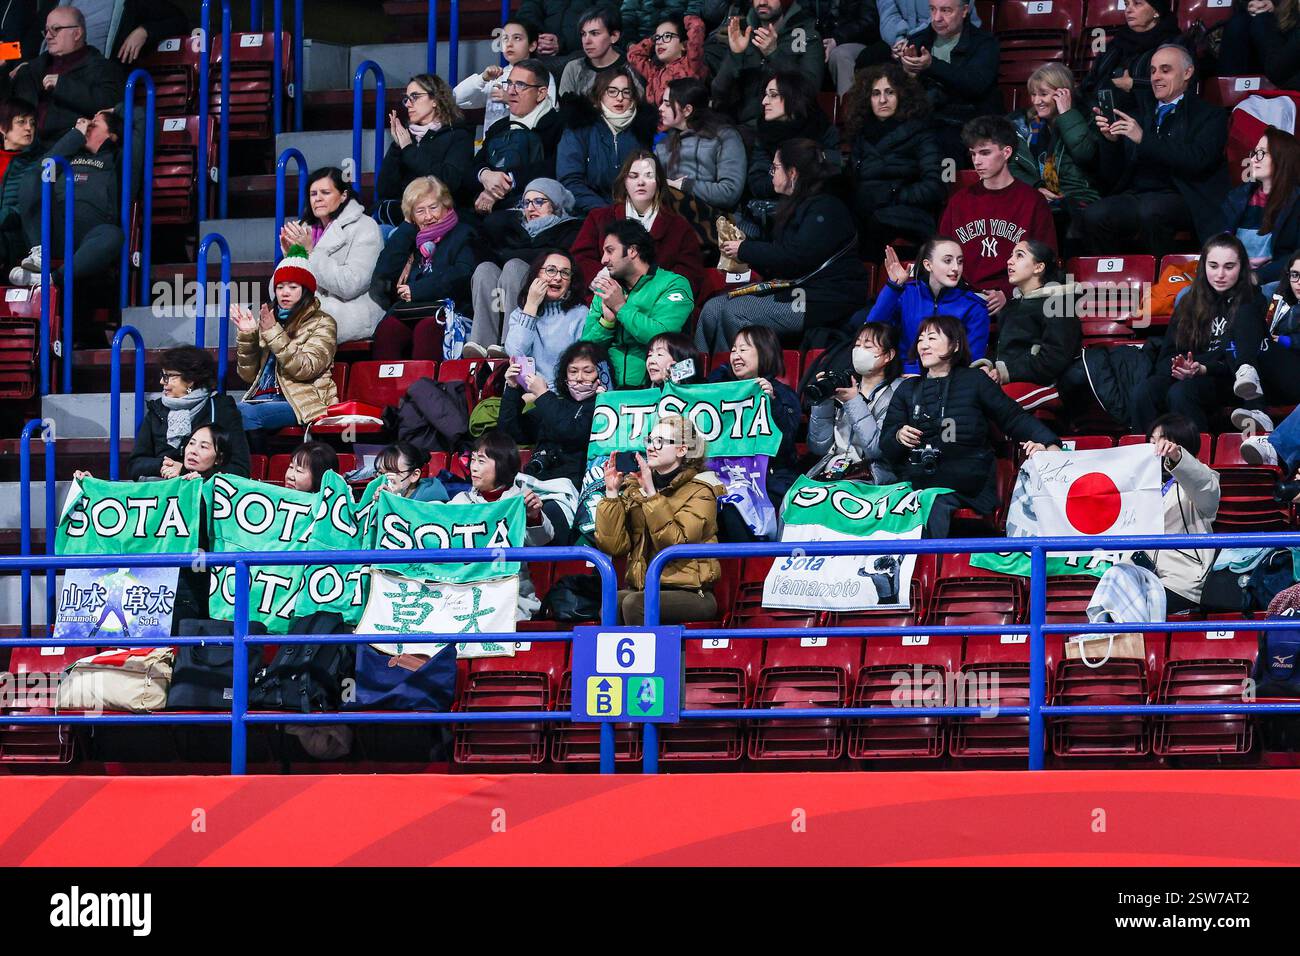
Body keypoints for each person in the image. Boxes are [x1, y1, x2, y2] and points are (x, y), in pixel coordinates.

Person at [880, 314, 1061, 537]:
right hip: (916, 483)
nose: (924, 345)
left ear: (955, 345)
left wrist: (1050, 442)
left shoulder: (975, 380)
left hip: (965, 485)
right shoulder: (907, 389)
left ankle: (924, 569)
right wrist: (898, 436)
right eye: (920, 339)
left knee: (933, 503)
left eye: (932, 338)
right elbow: (886, 446)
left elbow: (1013, 418)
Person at [699, 137, 868, 351]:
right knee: (713, 309)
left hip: (824, 296)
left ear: (793, 173)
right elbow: (779, 257)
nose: (771, 173)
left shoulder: (827, 207)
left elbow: (796, 257)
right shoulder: (796, 205)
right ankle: (699, 379)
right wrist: (746, 245)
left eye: (776, 167)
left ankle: (731, 379)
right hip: (795, 288)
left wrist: (745, 249)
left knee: (736, 312)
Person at [1086, 44, 1230, 259]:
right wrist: (1111, 141)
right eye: (1152, 71)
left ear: (1187, 73)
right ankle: (1112, 281)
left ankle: (1162, 281)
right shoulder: (1138, 113)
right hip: (1137, 195)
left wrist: (1144, 139)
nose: (1155, 77)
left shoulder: (1210, 115)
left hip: (1184, 195)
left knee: (1152, 211)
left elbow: (1198, 160)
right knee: (1095, 214)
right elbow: (1112, 174)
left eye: (1165, 70)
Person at [1136, 233, 1272, 434]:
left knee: (1182, 393)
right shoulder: (1188, 302)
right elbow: (1166, 355)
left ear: (1241, 267)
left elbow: (1239, 357)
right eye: (1213, 266)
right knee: (1145, 391)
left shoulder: (1251, 302)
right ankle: (1146, 457)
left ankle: (1196, 460)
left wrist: (1202, 367)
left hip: (1231, 379)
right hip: (1191, 373)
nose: (1220, 275)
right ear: (1203, 266)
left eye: (1229, 267)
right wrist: (1179, 367)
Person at [595, 413, 724, 624]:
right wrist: (611, 494)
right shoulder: (637, 488)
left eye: (660, 442)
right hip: (645, 587)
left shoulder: (701, 491)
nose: (651, 447)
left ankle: (653, 658)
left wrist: (652, 496)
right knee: (612, 601)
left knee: (634, 604)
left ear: (682, 450)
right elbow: (613, 546)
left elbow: (674, 543)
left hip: (692, 592)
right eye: (650, 440)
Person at [939, 115, 1057, 313]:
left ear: (1006, 152)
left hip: (1018, 301)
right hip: (963, 299)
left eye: (985, 153)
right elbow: (941, 256)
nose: (977, 161)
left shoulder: (1033, 201)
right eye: (973, 154)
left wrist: (1011, 292)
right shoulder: (959, 201)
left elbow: (1047, 261)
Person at [231, 247, 339, 448]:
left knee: (243, 414)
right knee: (220, 410)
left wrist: (273, 333)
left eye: (292, 286)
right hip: (260, 397)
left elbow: (306, 368)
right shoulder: (269, 320)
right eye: (280, 287)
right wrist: (248, 337)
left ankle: (255, 471)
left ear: (305, 290)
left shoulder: (323, 323)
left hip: (301, 401)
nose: (285, 292)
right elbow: (247, 376)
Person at [10, 108, 124, 295]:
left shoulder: (118, 160)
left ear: (112, 136)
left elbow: (143, 121)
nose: (88, 125)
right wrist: (75, 135)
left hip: (91, 236)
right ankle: (40, 253)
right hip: (58, 231)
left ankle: (50, 279)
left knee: (114, 235)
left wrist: (116, 109)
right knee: (33, 177)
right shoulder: (69, 155)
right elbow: (43, 169)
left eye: (94, 124)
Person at [452, 430, 564, 619]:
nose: (473, 468)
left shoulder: (520, 500)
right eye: (472, 460)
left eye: (481, 461)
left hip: (512, 599)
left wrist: (533, 516)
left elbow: (543, 539)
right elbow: (430, 516)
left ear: (502, 465)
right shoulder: (461, 501)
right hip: (464, 598)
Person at [570, 148, 707, 300]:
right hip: (604, 301)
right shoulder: (598, 218)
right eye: (633, 176)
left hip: (658, 307)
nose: (641, 182)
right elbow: (580, 259)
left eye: (649, 176)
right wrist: (602, 281)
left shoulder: (678, 226)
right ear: (625, 182)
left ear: (659, 182)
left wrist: (655, 291)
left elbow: (690, 272)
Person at [706, 324, 801, 538]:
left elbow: (786, 443)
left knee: (731, 510)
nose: (736, 356)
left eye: (744, 349)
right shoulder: (719, 390)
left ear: (764, 351)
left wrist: (772, 403)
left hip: (769, 480)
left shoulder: (782, 394)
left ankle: (749, 568)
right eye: (733, 350)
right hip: (724, 478)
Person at [469, 179, 582, 355]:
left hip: (541, 292)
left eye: (539, 202)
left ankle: (508, 342)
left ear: (555, 204)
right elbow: (488, 245)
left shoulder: (569, 229)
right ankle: (481, 344)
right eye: (526, 202)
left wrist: (510, 255)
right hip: (505, 289)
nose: (530, 208)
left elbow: (553, 259)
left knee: (514, 267)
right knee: (485, 269)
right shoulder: (513, 228)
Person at [369, 175, 477, 362]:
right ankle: (387, 390)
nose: (428, 217)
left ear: (446, 206)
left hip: (450, 311)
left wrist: (418, 290)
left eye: (433, 207)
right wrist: (407, 228)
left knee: (427, 328)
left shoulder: (464, 233)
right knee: (388, 330)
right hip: (412, 311)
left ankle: (423, 389)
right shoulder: (411, 238)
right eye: (420, 211)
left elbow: (463, 275)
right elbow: (384, 273)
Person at [844, 61, 944, 254]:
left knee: (871, 225)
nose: (883, 100)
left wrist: (892, 194)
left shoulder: (921, 132)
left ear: (901, 95)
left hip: (907, 214)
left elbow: (934, 187)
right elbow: (852, 182)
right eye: (876, 93)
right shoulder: (860, 134)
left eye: (889, 92)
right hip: (866, 210)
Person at [582, 219, 694, 386]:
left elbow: (663, 337)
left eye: (610, 251)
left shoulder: (673, 284)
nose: (603, 260)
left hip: (660, 390)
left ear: (632, 251)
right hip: (609, 392)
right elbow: (585, 350)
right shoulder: (607, 287)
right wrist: (607, 323)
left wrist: (621, 308)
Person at [279, 167, 384, 344]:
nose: (318, 198)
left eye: (325, 192)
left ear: (343, 195)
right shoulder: (301, 228)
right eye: (313, 194)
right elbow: (279, 290)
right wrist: (291, 259)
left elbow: (350, 285)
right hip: (307, 310)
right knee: (263, 325)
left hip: (349, 311)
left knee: (298, 332)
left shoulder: (366, 227)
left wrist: (310, 254)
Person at [973, 239, 1081, 406]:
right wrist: (987, 366)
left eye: (1019, 255)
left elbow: (1054, 360)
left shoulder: (1060, 304)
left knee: (988, 406)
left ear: (1038, 267)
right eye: (1011, 256)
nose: (1010, 261)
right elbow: (1000, 349)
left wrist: (1006, 372)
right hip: (1009, 380)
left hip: (1046, 384)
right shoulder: (1011, 305)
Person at [1009, 62, 1103, 250]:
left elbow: (1084, 155)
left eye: (1043, 94)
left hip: (1079, 198)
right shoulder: (1025, 124)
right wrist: (1036, 187)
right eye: (1033, 94)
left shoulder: (1086, 118)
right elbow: (1011, 164)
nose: (1036, 101)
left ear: (1064, 93)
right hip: (1041, 197)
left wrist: (1067, 114)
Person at [894, 0, 1000, 162]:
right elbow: (903, 96)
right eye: (932, 9)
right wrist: (908, 74)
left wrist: (931, 65)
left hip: (968, 124)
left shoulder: (984, 43)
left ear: (964, 11)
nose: (937, 18)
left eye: (946, 11)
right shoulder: (917, 41)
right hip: (925, 121)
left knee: (941, 143)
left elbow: (975, 84)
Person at [861, 237, 988, 372]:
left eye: (960, 261)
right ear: (928, 265)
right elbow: (872, 329)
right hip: (903, 377)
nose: (956, 268)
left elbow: (973, 360)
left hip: (949, 382)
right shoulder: (906, 294)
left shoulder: (974, 306)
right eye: (948, 261)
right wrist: (894, 287)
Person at [7, 5, 123, 148]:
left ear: (77, 33)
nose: (48, 36)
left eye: (55, 29)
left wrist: (63, 86)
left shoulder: (103, 68)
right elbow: (8, 108)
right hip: (25, 151)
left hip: (70, 152)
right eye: (47, 31)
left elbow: (111, 104)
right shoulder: (30, 71)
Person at [130, 345, 251, 481]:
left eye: (168, 376)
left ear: (190, 380)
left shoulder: (221, 408)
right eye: (162, 375)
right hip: (163, 487)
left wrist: (184, 470)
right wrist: (163, 465)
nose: (162, 381)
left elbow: (240, 469)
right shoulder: (157, 410)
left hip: (205, 491)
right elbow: (136, 465)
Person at [1140, 413, 1221, 614]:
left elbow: (1202, 483)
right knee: (1111, 589)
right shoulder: (1141, 488)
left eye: (1162, 441)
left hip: (1183, 581)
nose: (1156, 448)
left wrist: (1177, 456)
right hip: (1142, 575)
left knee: (1129, 607)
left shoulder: (1203, 480)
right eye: (1151, 442)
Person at [499, 339, 608, 486]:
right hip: (536, 484)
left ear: (602, 373)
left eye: (587, 371)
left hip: (573, 488)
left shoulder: (602, 408)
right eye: (573, 371)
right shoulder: (555, 404)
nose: (579, 378)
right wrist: (512, 388)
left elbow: (570, 432)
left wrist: (543, 394)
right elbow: (511, 432)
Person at [806, 321, 904, 482]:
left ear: (889, 355)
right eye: (857, 345)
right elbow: (818, 446)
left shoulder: (898, 392)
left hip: (871, 476)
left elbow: (877, 450)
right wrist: (823, 401)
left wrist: (852, 401)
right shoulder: (844, 383)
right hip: (832, 471)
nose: (859, 351)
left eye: (868, 346)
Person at [375, 73, 475, 227]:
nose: (408, 104)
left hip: (441, 220)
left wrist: (408, 149)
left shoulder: (458, 135)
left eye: (415, 97)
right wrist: (397, 147)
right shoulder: (407, 138)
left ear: (435, 100)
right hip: (406, 219)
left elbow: (449, 181)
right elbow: (384, 190)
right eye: (407, 99)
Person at [557, 65, 658, 214]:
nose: (620, 97)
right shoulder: (579, 128)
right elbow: (570, 180)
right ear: (599, 95)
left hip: (635, 213)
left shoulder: (644, 130)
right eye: (612, 91)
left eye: (626, 92)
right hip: (588, 214)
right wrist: (605, 211)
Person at [710, 0, 825, 131]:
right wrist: (735, 55)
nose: (762, 2)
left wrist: (774, 53)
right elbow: (718, 92)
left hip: (790, 128)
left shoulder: (806, 36)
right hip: (746, 128)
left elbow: (810, 89)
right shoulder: (744, 33)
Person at [471, 58, 565, 215]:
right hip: (490, 206)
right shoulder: (499, 127)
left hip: (536, 207)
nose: (511, 91)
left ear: (541, 93)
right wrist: (485, 175)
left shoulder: (560, 124)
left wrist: (506, 181)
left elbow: (556, 167)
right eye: (509, 83)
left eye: (521, 85)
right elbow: (474, 165)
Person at [1221, 128, 1300, 287]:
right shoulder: (1237, 197)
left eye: (1262, 153)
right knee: (1184, 295)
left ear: (1282, 159)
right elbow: (1220, 241)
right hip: (1233, 276)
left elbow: (1297, 257)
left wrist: (1257, 276)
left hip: (1274, 280)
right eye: (1254, 153)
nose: (1254, 159)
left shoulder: (1296, 203)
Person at [655, 77, 746, 215]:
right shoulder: (663, 145)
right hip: (674, 219)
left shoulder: (724, 137)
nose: (660, 108)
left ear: (687, 110)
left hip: (717, 220)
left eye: (667, 104)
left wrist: (684, 186)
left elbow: (729, 192)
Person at [746, 69, 841, 201]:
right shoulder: (764, 132)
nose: (764, 101)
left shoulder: (821, 127)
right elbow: (757, 183)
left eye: (773, 95)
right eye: (765, 95)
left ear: (793, 97)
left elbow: (837, 170)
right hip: (776, 207)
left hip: (817, 205)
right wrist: (785, 180)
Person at [452, 19, 558, 134]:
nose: (509, 44)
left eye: (517, 38)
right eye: (505, 38)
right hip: (493, 147)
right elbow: (457, 98)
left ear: (532, 45)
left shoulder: (542, 75)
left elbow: (550, 113)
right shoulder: (496, 76)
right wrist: (482, 78)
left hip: (526, 145)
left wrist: (510, 100)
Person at [500, 250, 589, 382]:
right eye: (551, 270)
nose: (558, 277)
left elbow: (583, 367)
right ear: (536, 275)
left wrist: (544, 394)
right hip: (526, 393)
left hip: (563, 396)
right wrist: (531, 306)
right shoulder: (519, 314)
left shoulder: (580, 313)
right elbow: (516, 354)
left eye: (565, 273)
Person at [1079, 0, 1182, 113]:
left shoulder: (1175, 44)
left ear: (1156, 11)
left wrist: (1134, 83)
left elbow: (1179, 83)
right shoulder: (1116, 42)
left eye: (1137, 3)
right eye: (1127, 4)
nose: (1128, 9)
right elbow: (1092, 79)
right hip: (1098, 111)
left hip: (1146, 116)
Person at [60, 0, 189, 66]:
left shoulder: (132, 3)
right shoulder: (62, 4)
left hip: (98, 83)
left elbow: (178, 21)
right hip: (55, 74)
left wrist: (143, 31)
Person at [627, 13, 707, 117]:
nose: (660, 42)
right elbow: (634, 55)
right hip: (659, 129)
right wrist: (651, 40)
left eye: (667, 36)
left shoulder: (691, 65)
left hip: (685, 127)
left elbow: (696, 26)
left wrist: (685, 17)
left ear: (684, 45)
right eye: (657, 38)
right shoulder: (654, 72)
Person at [559, 6, 646, 97]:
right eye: (583, 34)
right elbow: (565, 108)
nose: (586, 41)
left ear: (614, 36)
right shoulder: (573, 68)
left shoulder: (632, 69)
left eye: (595, 33)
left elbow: (638, 107)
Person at [1252, 249, 1300, 405]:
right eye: (1295, 275)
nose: (1299, 281)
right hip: (1275, 375)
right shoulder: (1275, 294)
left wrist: (1281, 340)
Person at [816, 0, 882, 98]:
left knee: (840, 55)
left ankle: (849, 110)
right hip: (821, 41)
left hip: (860, 42)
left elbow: (869, 22)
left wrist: (836, 39)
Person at [0, 97, 36, 269]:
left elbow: (23, 209)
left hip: (17, 237)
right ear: (2, 128)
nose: (29, 128)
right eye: (21, 122)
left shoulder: (36, 162)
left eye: (32, 122)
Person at [370, 441, 449, 502]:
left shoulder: (432, 500)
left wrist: (395, 499)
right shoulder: (378, 492)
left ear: (414, 475)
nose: (385, 479)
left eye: (392, 473)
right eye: (381, 473)